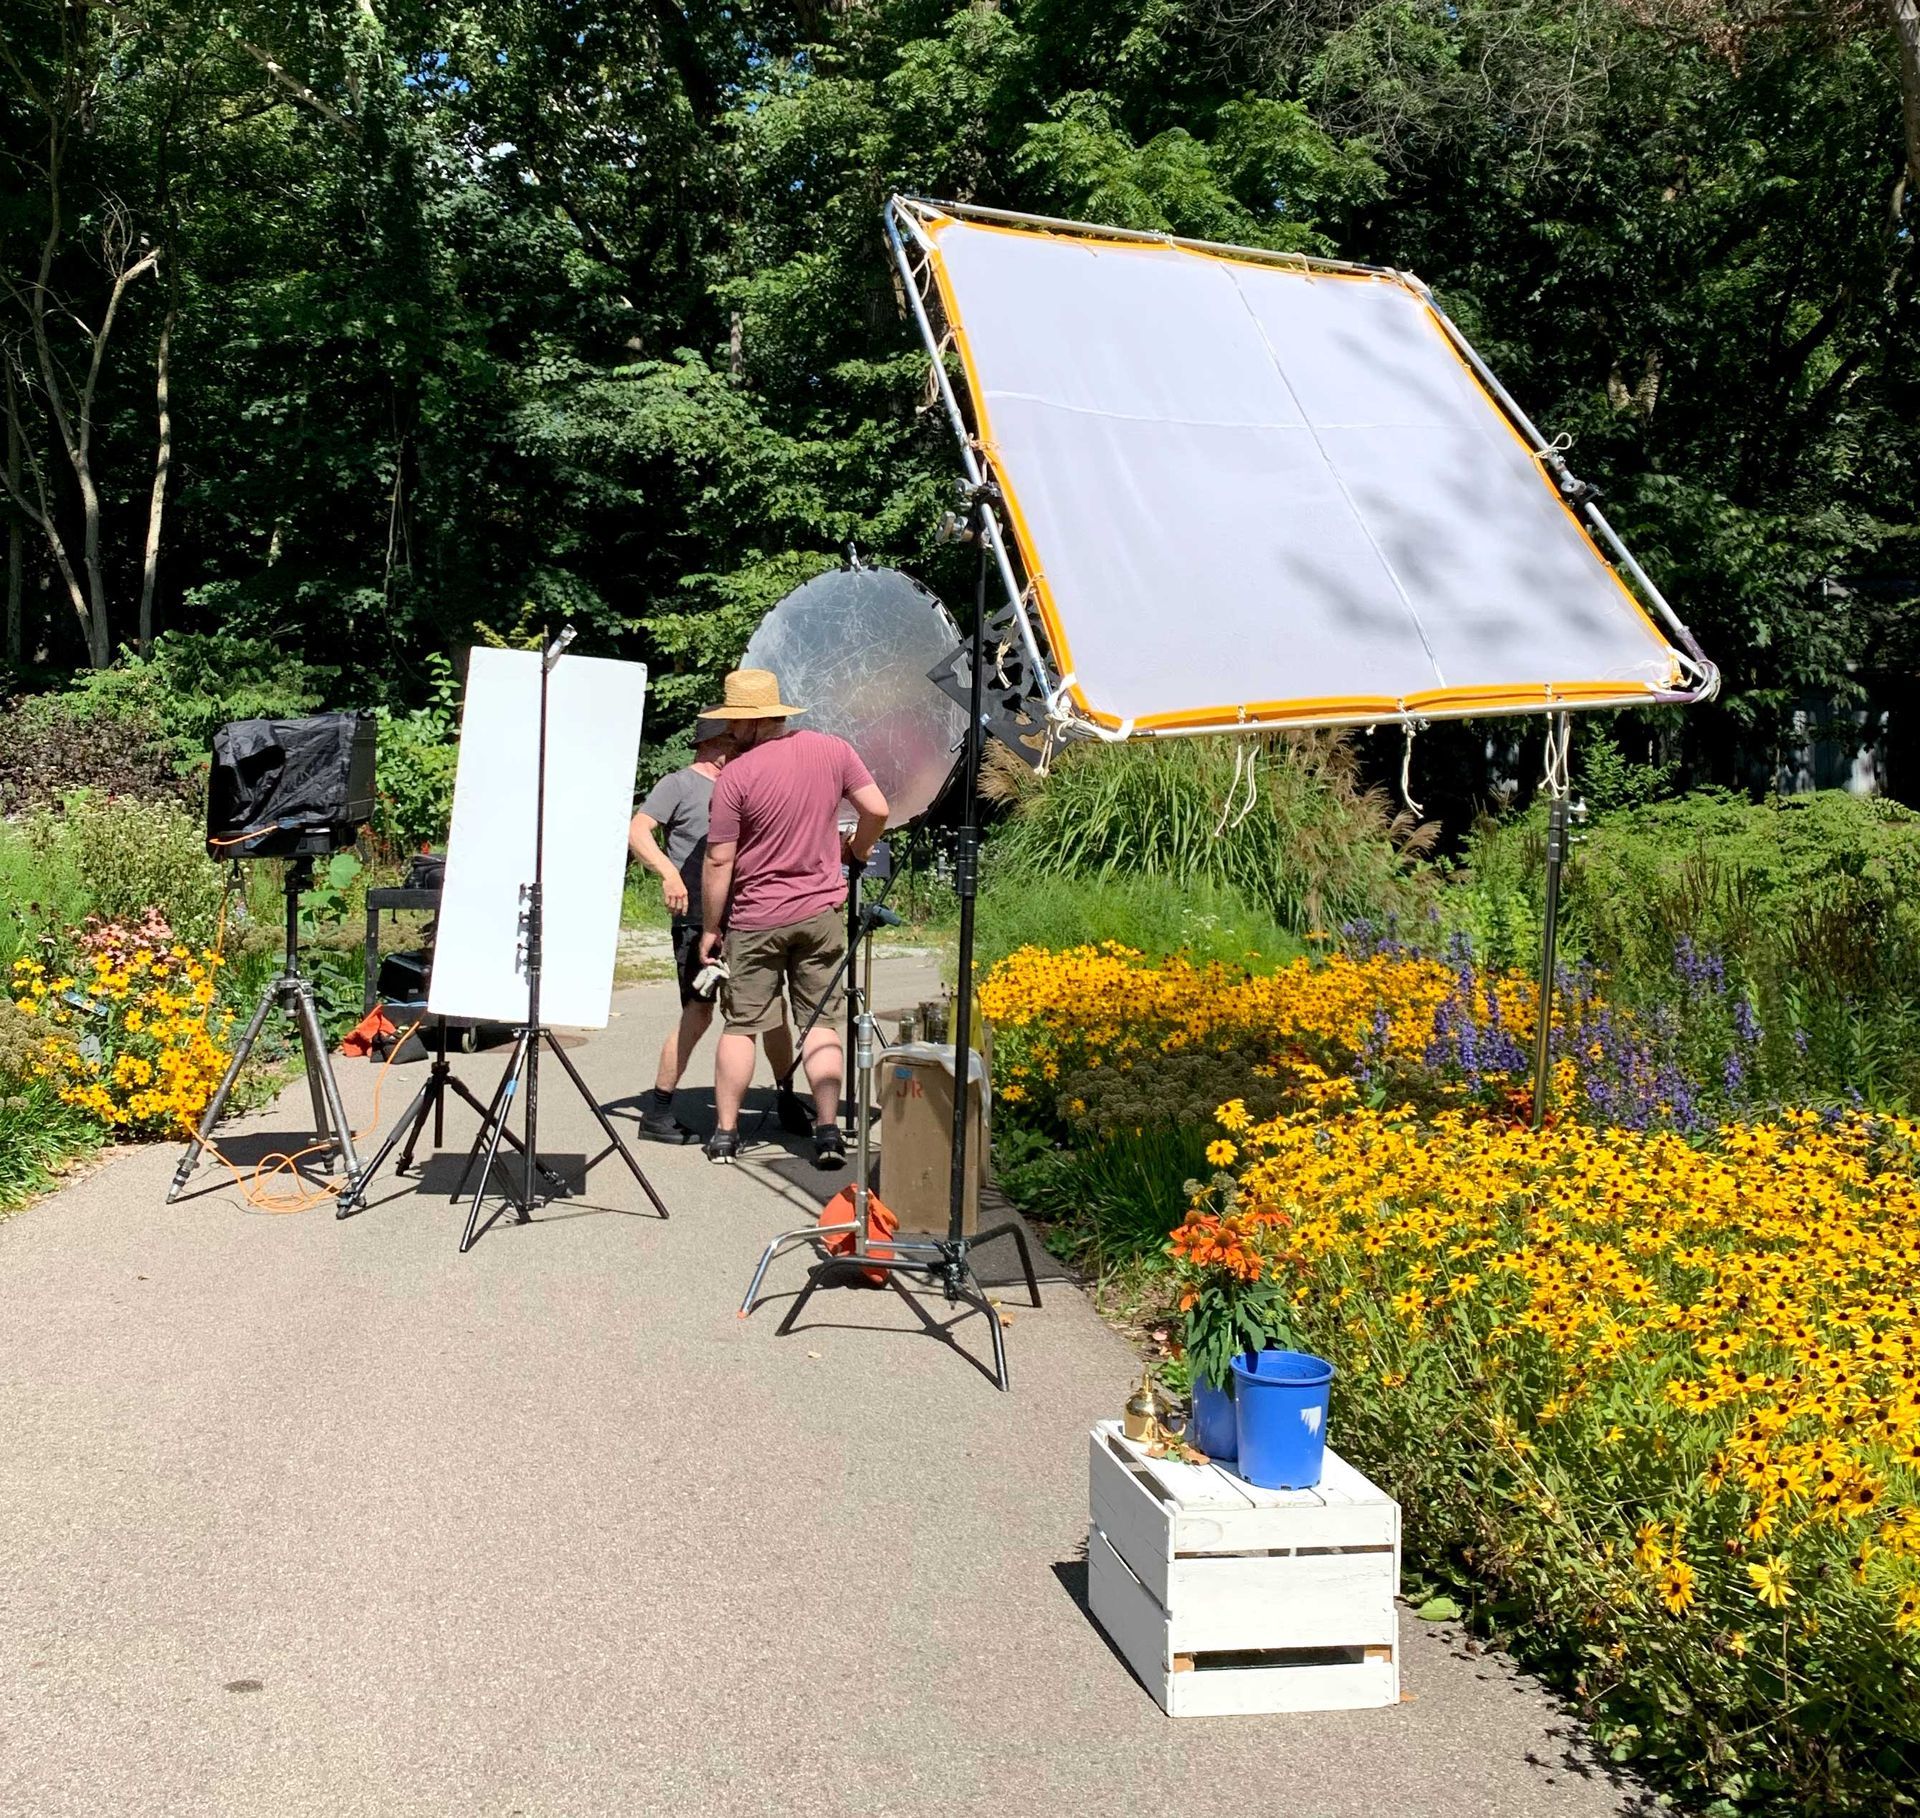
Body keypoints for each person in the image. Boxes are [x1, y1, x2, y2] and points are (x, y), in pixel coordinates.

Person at [698, 667, 888, 1167]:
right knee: (821, 1022)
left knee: (741, 1026)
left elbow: (719, 860)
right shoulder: (833, 750)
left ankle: (725, 1135)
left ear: (753, 723)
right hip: (820, 913)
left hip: (756, 917)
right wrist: (857, 849)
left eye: (735, 723)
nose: (730, 732)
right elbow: (878, 808)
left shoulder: (735, 776)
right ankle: (827, 1132)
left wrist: (712, 928)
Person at [627, 717, 807, 1143]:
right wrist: (669, 874)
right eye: (736, 737)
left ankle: (786, 1098)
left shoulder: (742, 781)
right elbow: (637, 831)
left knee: (772, 1010)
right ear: (714, 742)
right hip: (695, 920)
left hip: (746, 917)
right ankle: (658, 1111)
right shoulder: (679, 784)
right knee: (698, 1011)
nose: (745, 744)